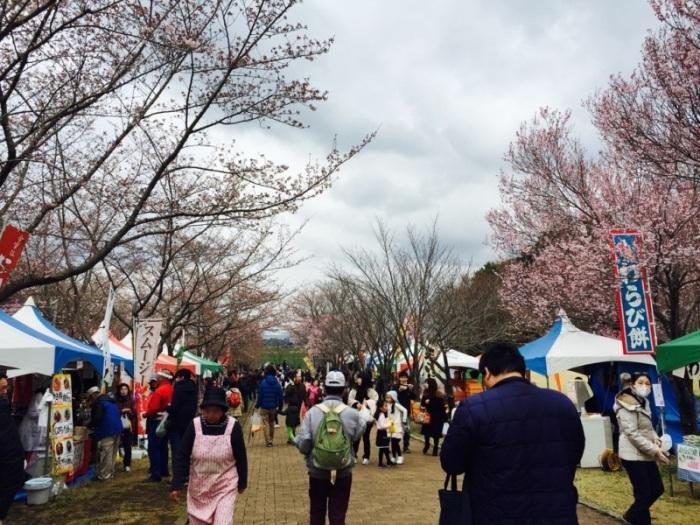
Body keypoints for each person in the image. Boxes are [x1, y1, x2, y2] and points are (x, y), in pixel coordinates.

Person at [441, 342, 585, 525]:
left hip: (494, 512)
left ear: (486, 372)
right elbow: (575, 452)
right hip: (556, 512)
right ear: (522, 369)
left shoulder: (473, 408)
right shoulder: (562, 403)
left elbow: (452, 463)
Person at [295, 370, 366, 525]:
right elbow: (359, 432)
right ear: (344, 390)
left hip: (317, 470)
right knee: (338, 515)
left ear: (325, 389)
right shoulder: (353, 414)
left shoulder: (312, 413)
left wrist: (306, 449)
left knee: (317, 513)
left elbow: (304, 443)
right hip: (343, 470)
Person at [171, 387, 247, 525]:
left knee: (222, 522)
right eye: (208, 411)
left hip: (225, 485)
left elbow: (241, 456)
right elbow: (182, 455)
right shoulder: (195, 426)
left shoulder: (233, 427)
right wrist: (176, 484)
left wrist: (242, 481)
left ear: (223, 411)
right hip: (199, 489)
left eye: (216, 411)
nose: (211, 415)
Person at [614, 372, 668, 525]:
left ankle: (635, 519)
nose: (644, 386)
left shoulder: (643, 401)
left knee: (657, 489)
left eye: (647, 383)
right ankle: (630, 517)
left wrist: (656, 439)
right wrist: (655, 450)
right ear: (633, 384)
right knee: (644, 494)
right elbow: (632, 433)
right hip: (632, 455)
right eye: (641, 382)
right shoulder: (625, 402)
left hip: (646, 453)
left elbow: (648, 427)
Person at [0, 374, 24, 525]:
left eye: (6, 387)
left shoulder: (4, 409)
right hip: (7, 466)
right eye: (2, 387)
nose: (5, 391)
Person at [86, 386, 123, 481]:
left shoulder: (99, 402)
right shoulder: (110, 400)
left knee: (106, 453)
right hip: (117, 428)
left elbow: (97, 418)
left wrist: (88, 425)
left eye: (91, 397)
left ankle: (104, 475)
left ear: (94, 395)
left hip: (107, 429)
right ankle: (110, 473)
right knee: (113, 453)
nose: (91, 399)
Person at [144, 369, 174, 482]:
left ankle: (155, 473)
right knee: (163, 446)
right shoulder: (172, 389)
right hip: (167, 420)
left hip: (156, 421)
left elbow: (154, 408)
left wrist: (146, 414)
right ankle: (164, 470)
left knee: (154, 447)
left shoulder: (159, 391)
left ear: (161, 378)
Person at [167, 368, 198, 475]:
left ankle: (178, 475)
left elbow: (175, 407)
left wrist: (168, 408)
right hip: (189, 422)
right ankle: (187, 474)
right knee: (188, 449)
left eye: (177, 377)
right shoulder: (194, 388)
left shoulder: (178, 389)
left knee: (177, 450)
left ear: (182, 377)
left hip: (177, 423)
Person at [348, 372, 378, 465]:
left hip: (367, 417)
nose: (357, 380)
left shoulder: (371, 391)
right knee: (356, 437)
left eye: (359, 378)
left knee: (366, 437)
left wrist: (367, 403)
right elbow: (349, 400)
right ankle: (354, 456)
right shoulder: (353, 390)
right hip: (356, 416)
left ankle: (366, 456)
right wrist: (356, 403)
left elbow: (375, 401)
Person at [255, 364, 283, 447]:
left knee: (266, 424)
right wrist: (280, 406)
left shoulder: (263, 383)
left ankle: (268, 442)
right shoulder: (277, 383)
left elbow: (260, 396)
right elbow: (280, 395)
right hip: (273, 407)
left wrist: (257, 405)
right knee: (272, 423)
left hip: (264, 407)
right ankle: (271, 439)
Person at [420, 378, 447, 456]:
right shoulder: (425, 393)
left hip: (438, 416)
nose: (425, 384)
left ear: (431, 384)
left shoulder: (439, 393)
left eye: (427, 383)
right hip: (428, 416)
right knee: (426, 433)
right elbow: (422, 405)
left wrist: (431, 401)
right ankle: (427, 445)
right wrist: (425, 402)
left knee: (436, 434)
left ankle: (435, 449)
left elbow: (443, 406)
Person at [391, 371, 415, 453]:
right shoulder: (395, 386)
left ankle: (406, 446)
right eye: (402, 377)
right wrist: (399, 390)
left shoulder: (409, 387)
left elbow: (414, 397)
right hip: (396, 411)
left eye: (405, 377)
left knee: (407, 429)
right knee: (395, 428)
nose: (404, 379)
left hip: (406, 411)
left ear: (407, 378)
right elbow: (391, 396)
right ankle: (394, 445)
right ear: (399, 378)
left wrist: (411, 390)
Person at [116, 383, 137, 472]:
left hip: (128, 426)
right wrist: (122, 411)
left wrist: (129, 412)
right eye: (122, 389)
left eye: (125, 389)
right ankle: (112, 464)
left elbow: (134, 413)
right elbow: (114, 412)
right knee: (115, 445)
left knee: (127, 446)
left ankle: (127, 464)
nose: (123, 391)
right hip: (117, 425)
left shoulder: (131, 401)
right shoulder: (116, 401)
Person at [283, 371, 306, 444]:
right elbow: (286, 395)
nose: (300, 378)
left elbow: (304, 395)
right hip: (292, 407)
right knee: (291, 422)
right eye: (298, 376)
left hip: (299, 406)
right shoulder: (290, 386)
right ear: (294, 378)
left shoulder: (302, 385)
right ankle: (292, 438)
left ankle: (291, 437)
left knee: (295, 422)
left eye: (300, 376)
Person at [386, 390, 407, 465]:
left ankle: (400, 456)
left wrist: (404, 420)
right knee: (392, 442)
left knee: (395, 442)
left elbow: (405, 410)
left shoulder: (396, 405)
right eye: (387, 397)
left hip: (397, 426)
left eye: (389, 397)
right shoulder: (387, 405)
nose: (387, 399)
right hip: (390, 425)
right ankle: (394, 457)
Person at [374, 399, 393, 468]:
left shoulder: (380, 414)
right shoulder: (381, 415)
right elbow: (382, 426)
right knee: (383, 448)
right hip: (382, 433)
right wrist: (389, 424)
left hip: (381, 433)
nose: (387, 407)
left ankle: (388, 461)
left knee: (385, 448)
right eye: (385, 406)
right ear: (380, 408)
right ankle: (380, 463)